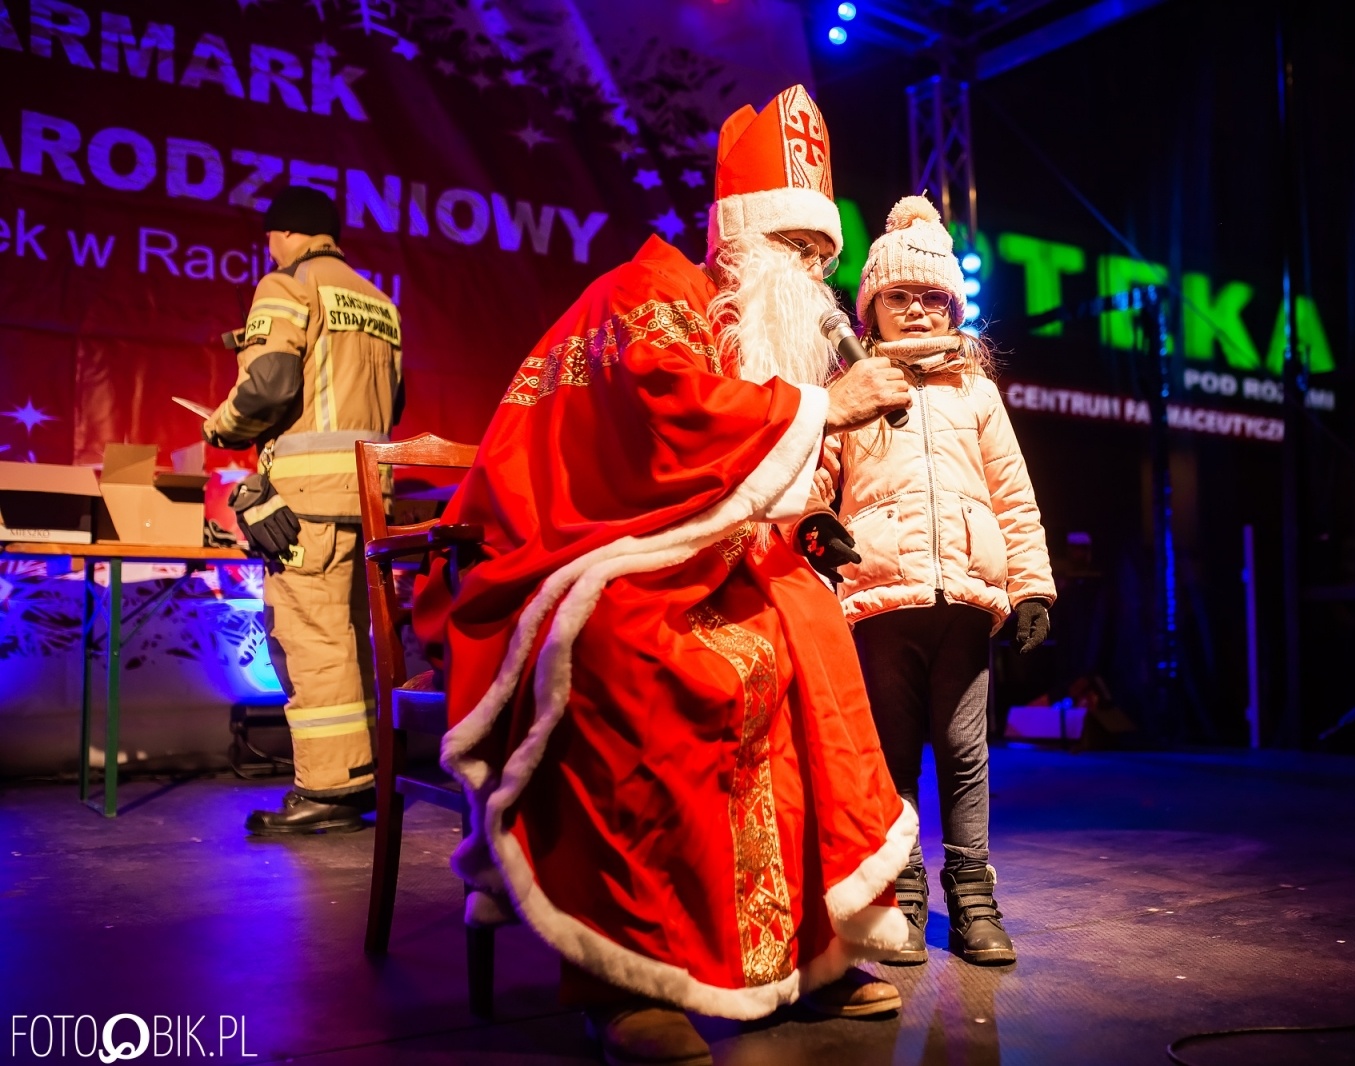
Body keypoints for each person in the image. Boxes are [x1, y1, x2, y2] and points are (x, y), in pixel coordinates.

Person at [412, 86, 917, 1066]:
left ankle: (811, 950)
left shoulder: (752, 326)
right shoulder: (652, 292)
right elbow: (675, 425)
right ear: (742, 239)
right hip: (593, 548)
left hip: (698, 552)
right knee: (637, 654)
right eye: (797, 251)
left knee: (812, 630)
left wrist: (815, 525)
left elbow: (743, 472)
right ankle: (626, 976)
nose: (815, 277)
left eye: (824, 254)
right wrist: (823, 407)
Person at [811, 195, 1054, 967]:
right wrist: (812, 528)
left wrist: (1032, 586)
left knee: (965, 750)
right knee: (890, 756)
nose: (916, 311)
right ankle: (904, 897)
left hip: (965, 606)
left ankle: (974, 901)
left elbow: (1013, 495)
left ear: (952, 304)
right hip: (881, 600)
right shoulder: (852, 387)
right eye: (898, 297)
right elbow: (814, 479)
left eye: (932, 298)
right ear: (872, 307)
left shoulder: (974, 392)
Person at [202, 185, 403, 836]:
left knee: (312, 644)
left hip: (308, 500)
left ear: (285, 235)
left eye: (270, 239)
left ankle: (328, 792)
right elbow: (392, 404)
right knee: (350, 641)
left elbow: (271, 383)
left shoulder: (286, 284)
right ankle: (363, 775)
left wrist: (222, 424)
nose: (269, 248)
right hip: (369, 496)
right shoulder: (379, 302)